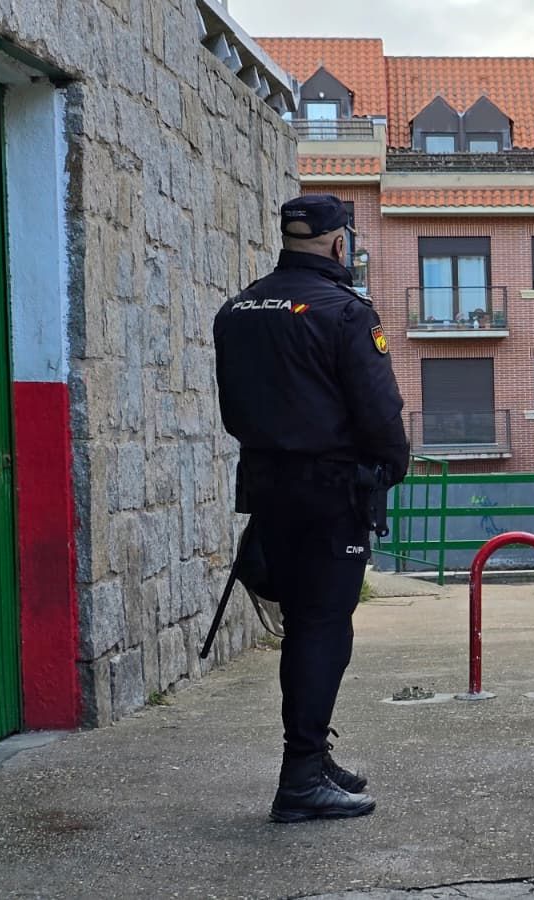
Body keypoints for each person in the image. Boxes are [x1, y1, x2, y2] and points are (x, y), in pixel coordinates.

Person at [214, 194, 408, 823]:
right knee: (323, 626)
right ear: (339, 243)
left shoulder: (238, 307)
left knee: (304, 622)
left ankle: (313, 758)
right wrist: (389, 468)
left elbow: (232, 411)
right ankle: (300, 775)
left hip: (267, 484)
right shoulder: (346, 311)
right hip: (329, 489)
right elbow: (380, 412)